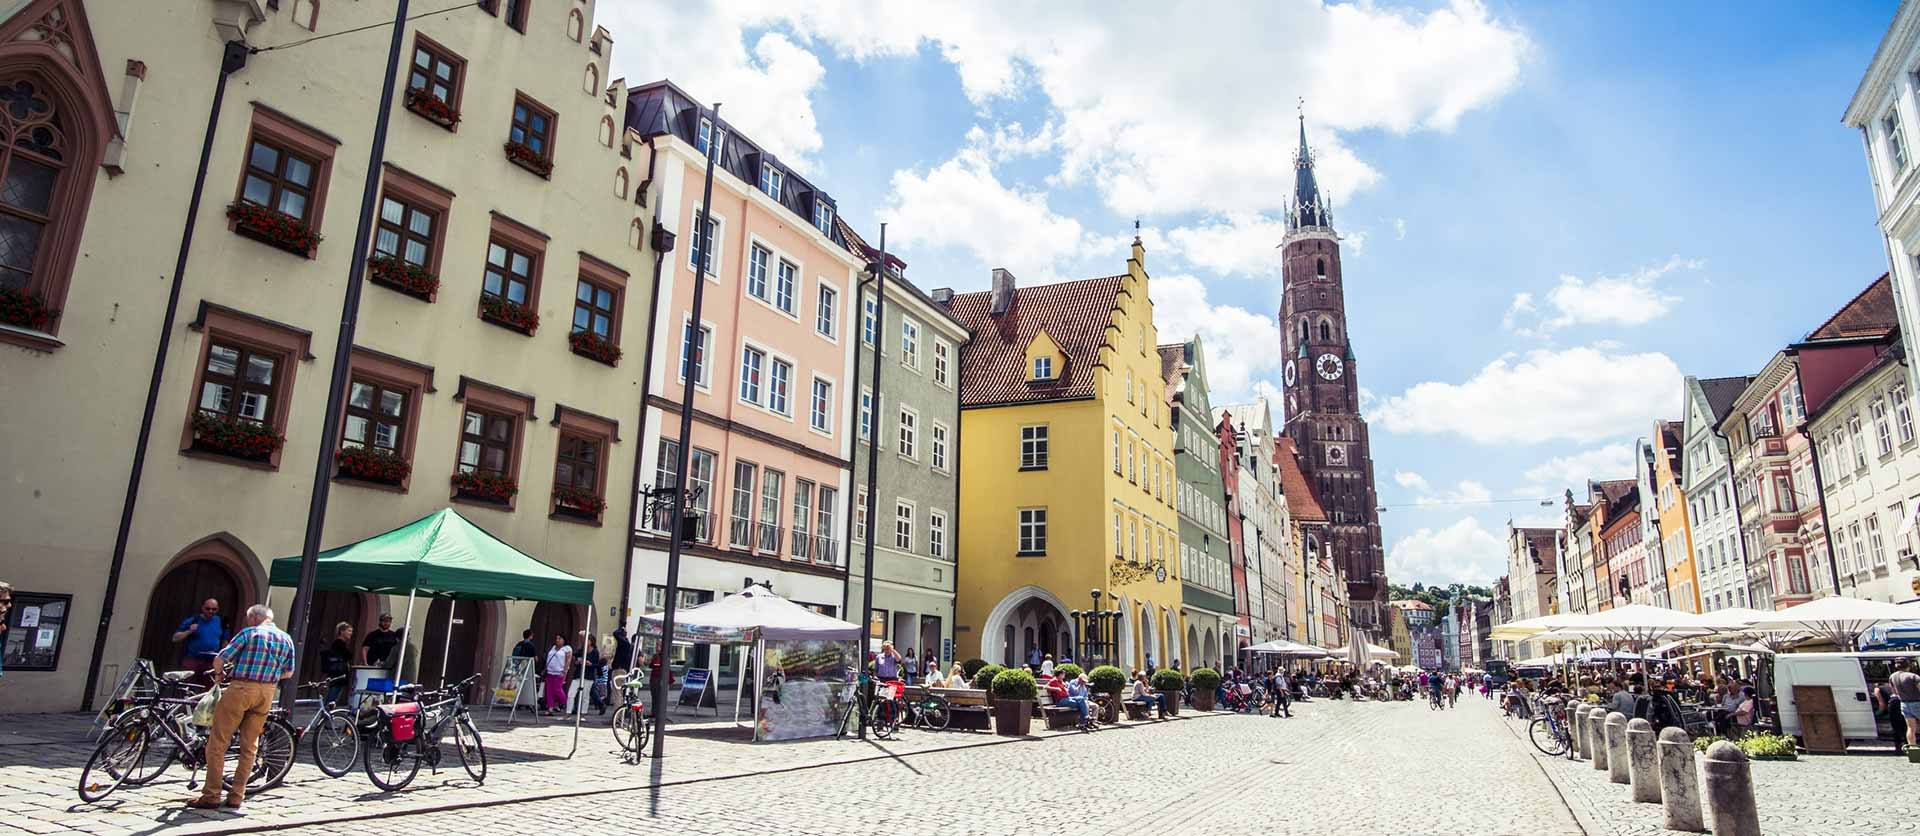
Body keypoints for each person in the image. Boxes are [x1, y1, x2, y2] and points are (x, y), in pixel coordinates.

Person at [186, 604, 295, 811]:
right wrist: (268, 677)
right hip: (267, 692)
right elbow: (288, 672)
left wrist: (220, 675)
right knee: (250, 745)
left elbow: (220, 659)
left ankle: (211, 795)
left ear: (254, 617)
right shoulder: (286, 638)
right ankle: (237, 796)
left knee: (218, 742)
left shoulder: (249, 633)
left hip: (241, 688)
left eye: (248, 619)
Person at [170, 598, 225, 679]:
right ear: (202, 608)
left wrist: (222, 659)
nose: (210, 611)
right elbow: (175, 638)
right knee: (187, 685)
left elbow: (225, 641)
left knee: (208, 688)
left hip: (211, 662)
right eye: (208, 608)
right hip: (193, 660)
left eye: (214, 609)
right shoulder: (193, 620)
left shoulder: (220, 621)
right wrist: (189, 631)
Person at [1888, 658, 1920, 747]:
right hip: (1917, 702)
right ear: (1908, 665)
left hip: (1904, 704)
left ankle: (1913, 749)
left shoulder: (1892, 677)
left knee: (1910, 728)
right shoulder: (1913, 676)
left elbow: (1894, 692)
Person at [321, 621, 354, 706]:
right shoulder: (339, 643)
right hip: (338, 672)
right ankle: (327, 712)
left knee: (334, 693)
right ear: (342, 631)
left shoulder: (342, 643)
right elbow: (348, 655)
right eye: (349, 631)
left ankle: (327, 711)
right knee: (333, 694)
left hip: (339, 672)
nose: (351, 633)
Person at [543, 634, 572, 717]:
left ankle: (566, 703)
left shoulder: (567, 648)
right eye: (556, 638)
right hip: (550, 671)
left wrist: (564, 670)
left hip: (559, 672)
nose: (557, 640)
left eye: (560, 638)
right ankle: (550, 708)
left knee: (557, 689)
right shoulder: (553, 648)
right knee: (549, 690)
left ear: (564, 640)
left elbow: (568, 660)